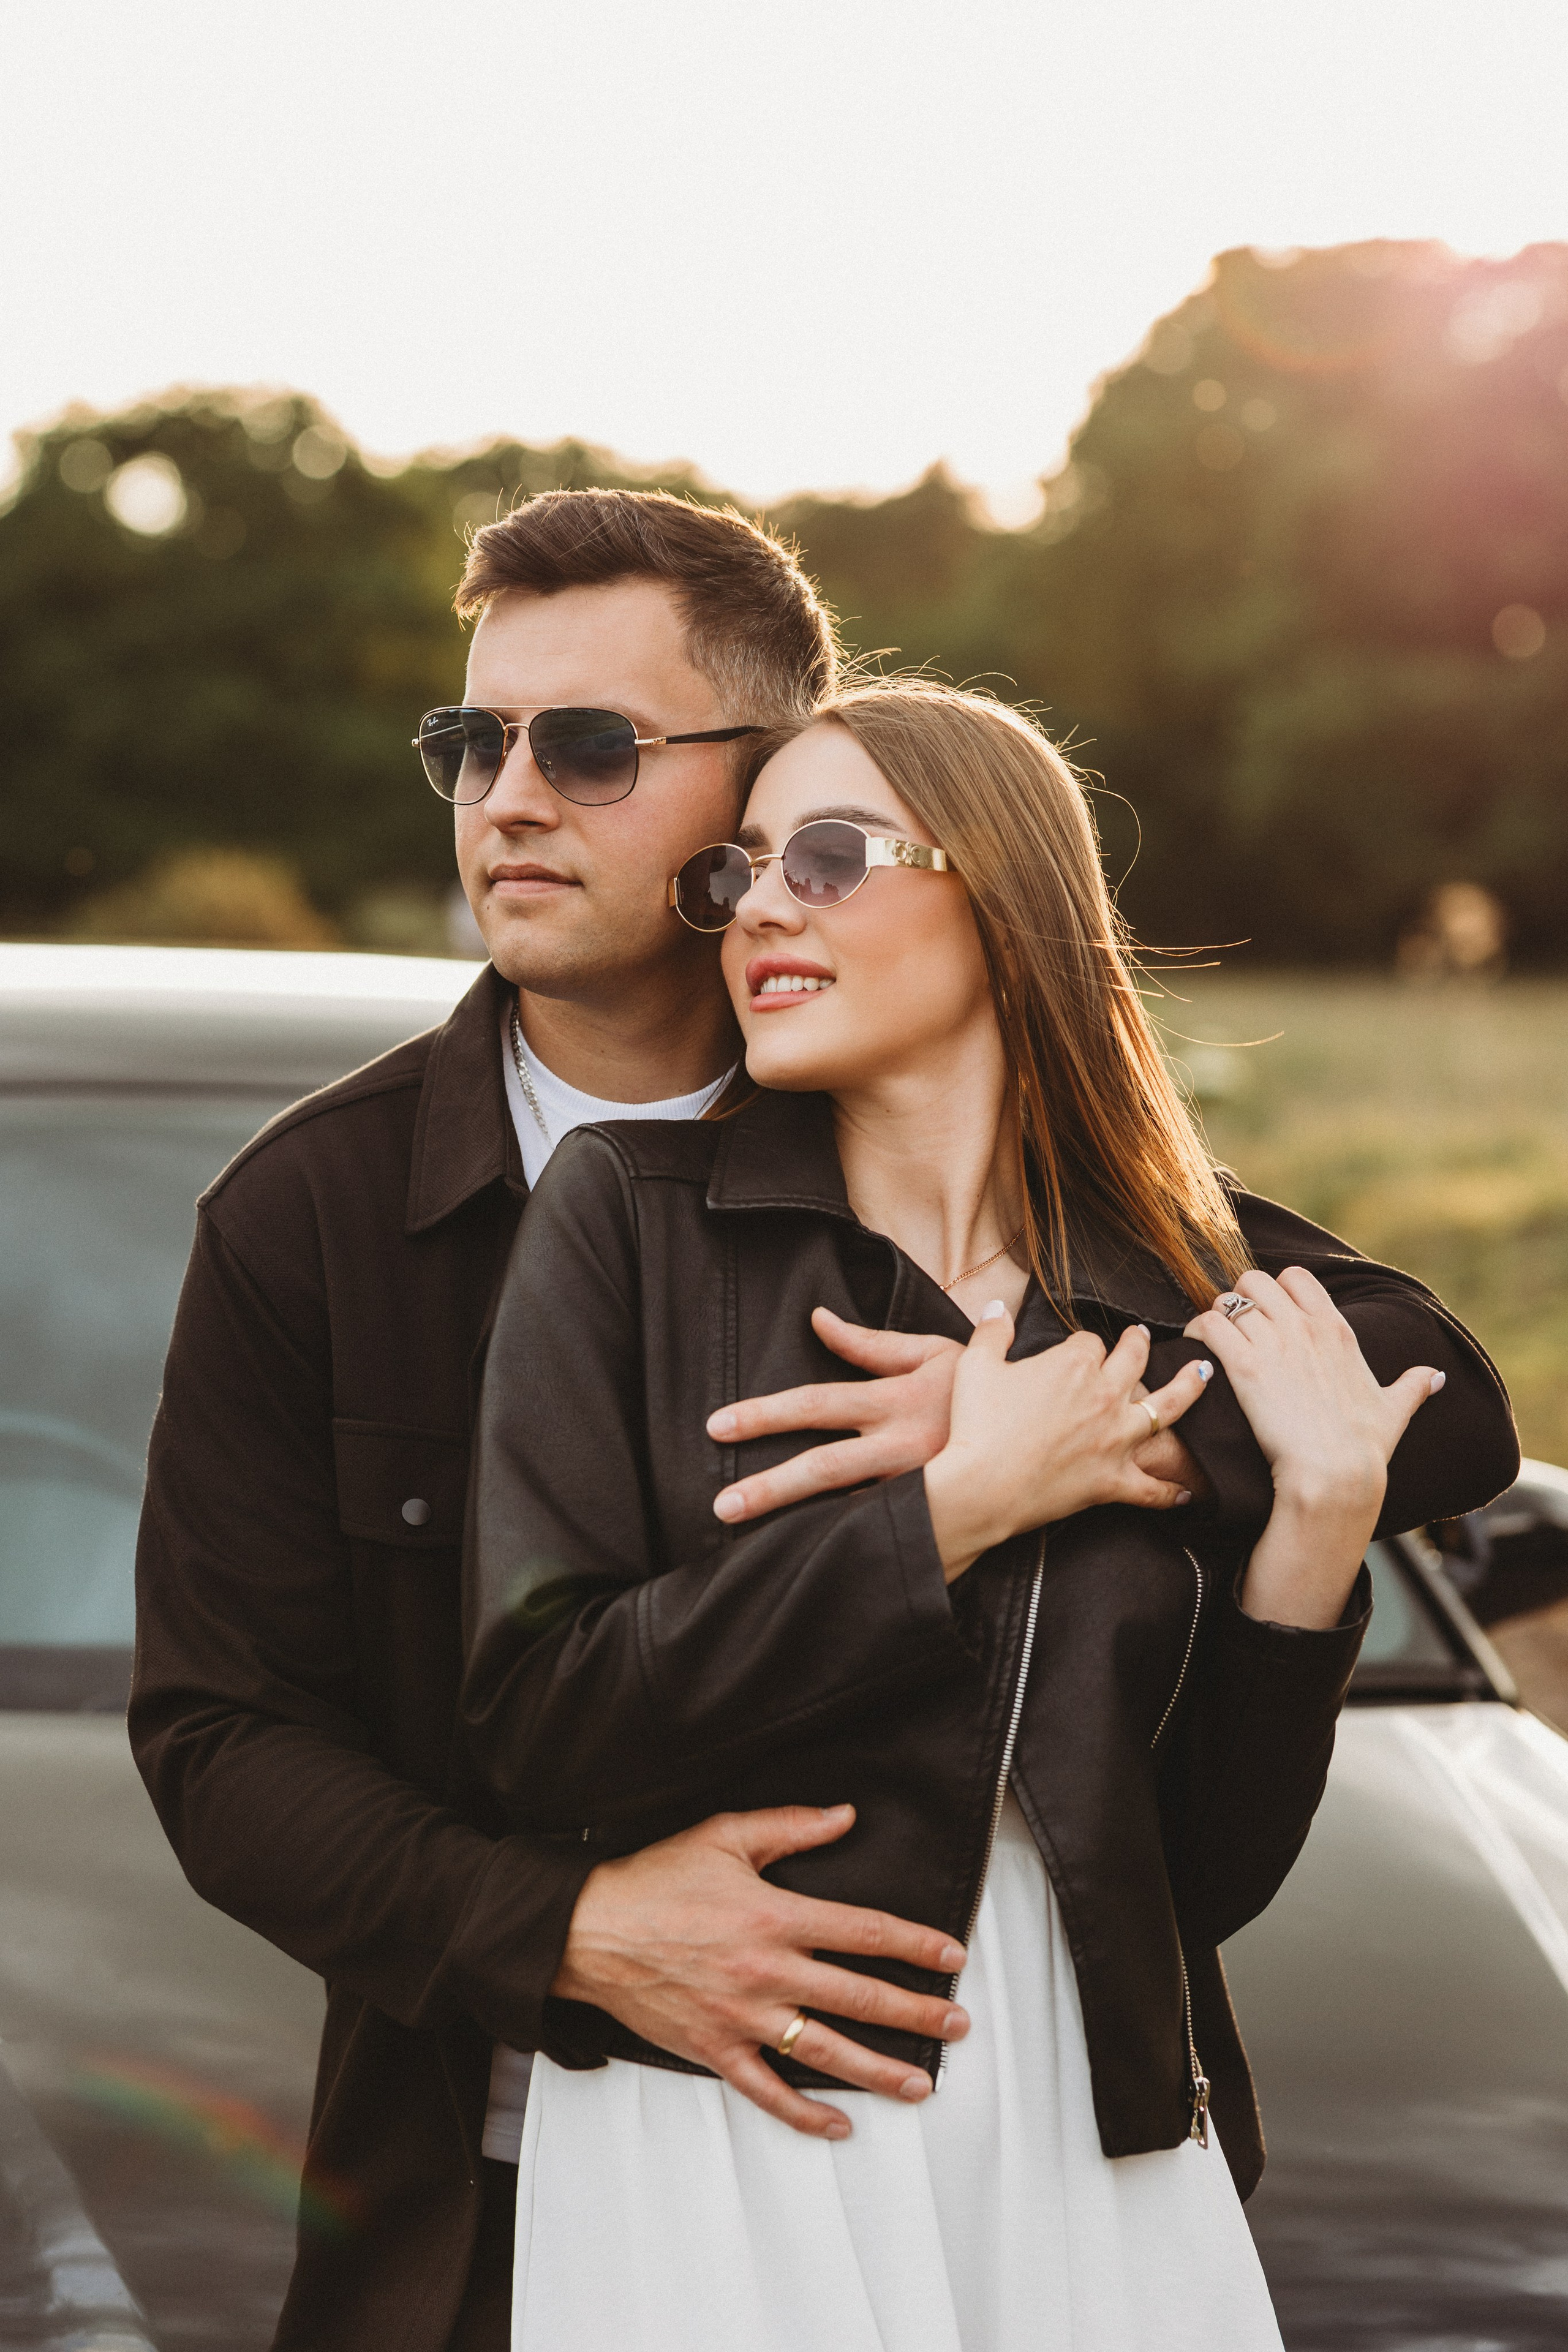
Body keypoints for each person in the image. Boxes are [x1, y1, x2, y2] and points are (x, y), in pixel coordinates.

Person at [135, 493, 1138, 2352]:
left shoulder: (940, 1142)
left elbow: (1369, 1349)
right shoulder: (310, 1214)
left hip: (991, 2183)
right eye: (473, 741)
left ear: (771, 797)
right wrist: (573, 1930)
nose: (506, 797)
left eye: (588, 746)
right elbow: (221, 1740)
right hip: (492, 2208)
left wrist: (1120, 1428)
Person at [462, 682, 1520, 2350]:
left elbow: (1450, 1399)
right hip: (743, 2111)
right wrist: (960, 1500)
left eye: (828, 855)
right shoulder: (632, 1226)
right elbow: (542, 1728)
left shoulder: (1158, 1274)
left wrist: (1235, 1496)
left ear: (1005, 899)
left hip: (1092, 2108)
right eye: (738, 872)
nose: (762, 911)